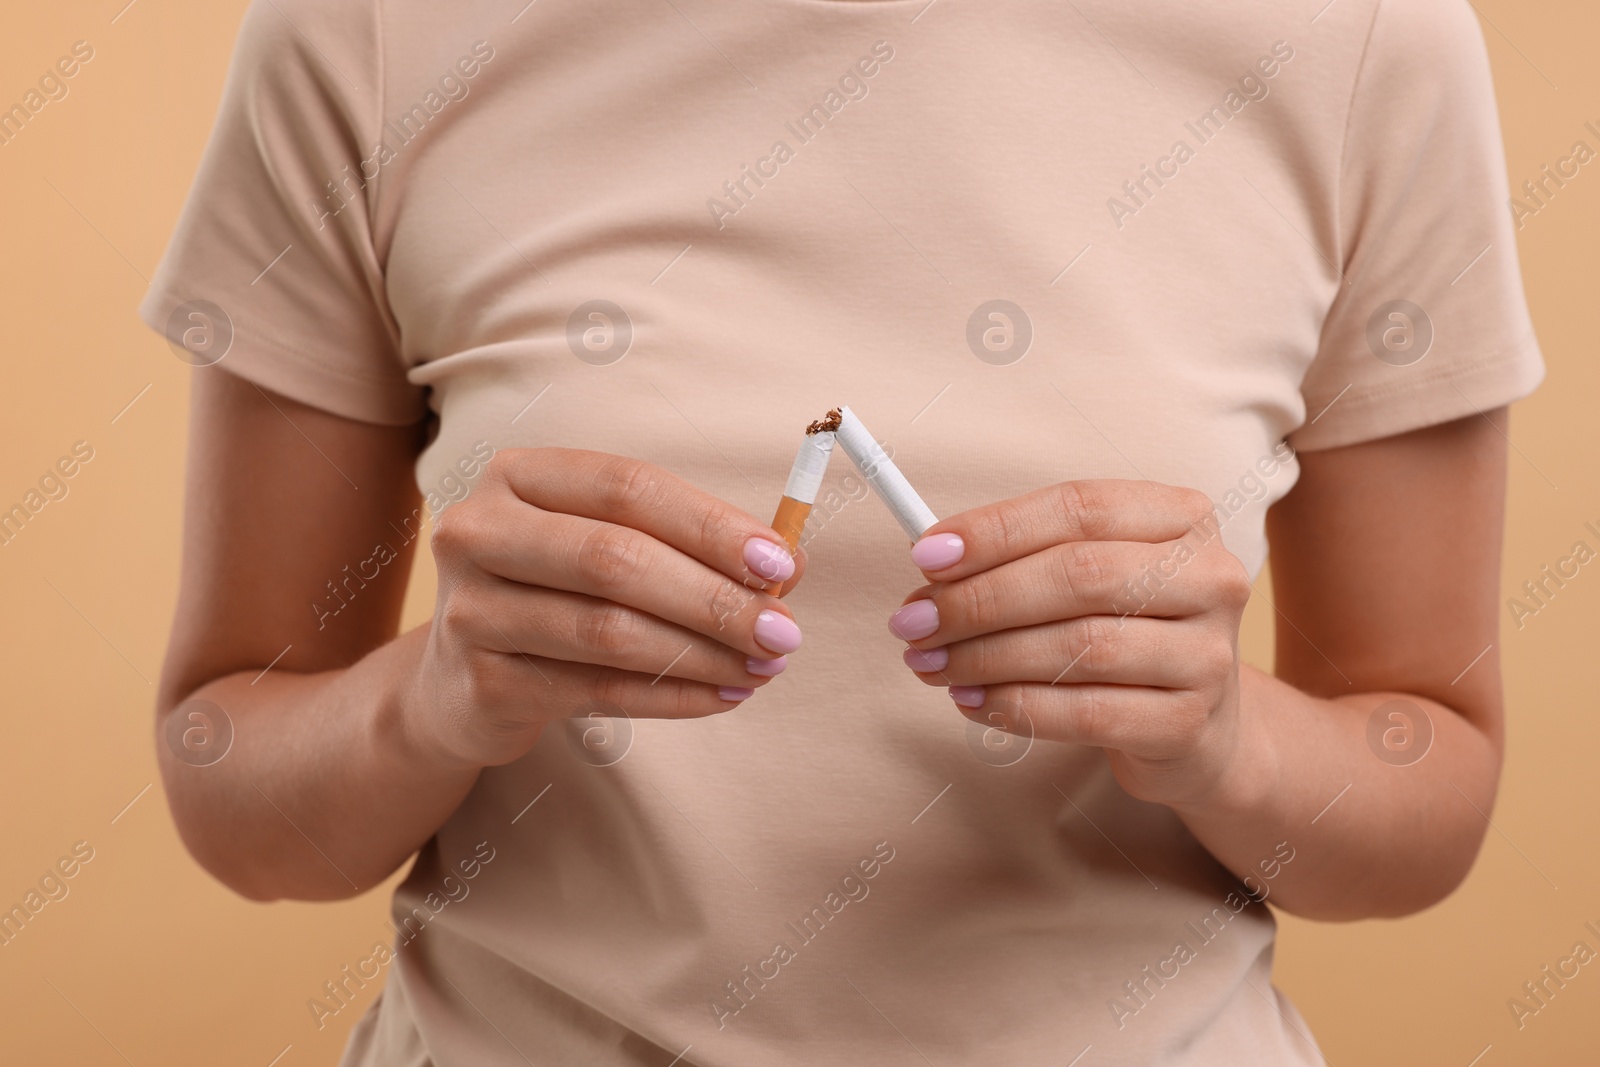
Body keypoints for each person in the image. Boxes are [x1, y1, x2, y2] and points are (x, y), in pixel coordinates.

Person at [142, 0, 1542, 1062]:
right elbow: (234, 778)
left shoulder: (1364, 38)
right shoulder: (368, 32)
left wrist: (1225, 736)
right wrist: (435, 698)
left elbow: (1426, 805)